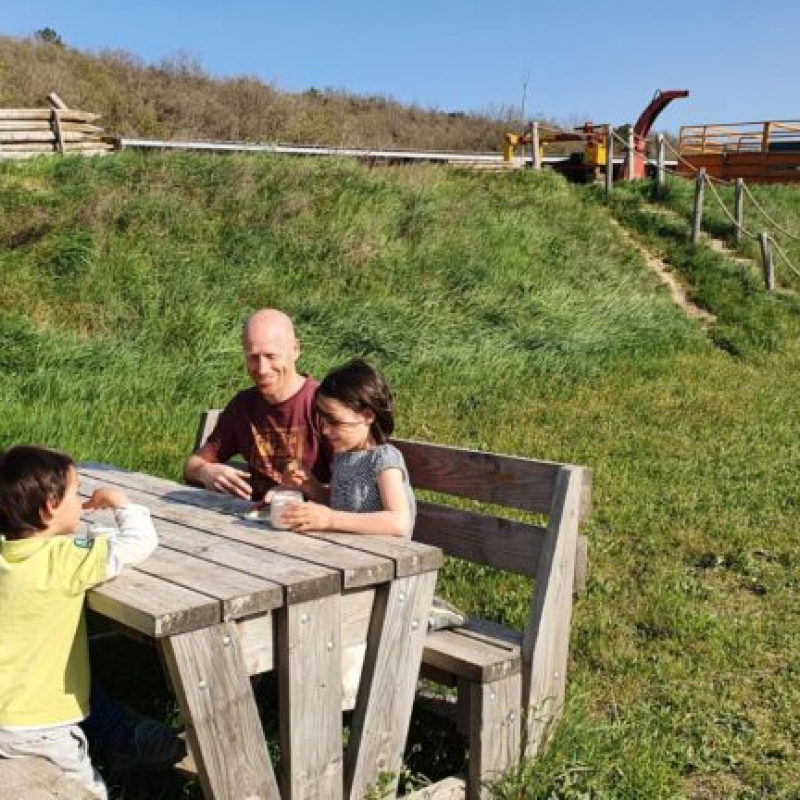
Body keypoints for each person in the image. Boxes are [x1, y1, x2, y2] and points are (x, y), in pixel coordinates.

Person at [0, 445, 161, 799]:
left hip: (5, 714)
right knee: (85, 791)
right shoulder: (66, 560)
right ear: (50, 507)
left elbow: (72, 542)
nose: (82, 498)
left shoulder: (7, 554)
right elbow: (140, 541)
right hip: (43, 723)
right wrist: (122, 503)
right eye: (77, 491)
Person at [184, 308, 331, 501]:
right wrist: (205, 472)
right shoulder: (243, 407)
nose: (262, 369)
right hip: (251, 521)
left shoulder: (325, 406)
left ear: (295, 350)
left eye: (271, 356)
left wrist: (309, 488)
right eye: (253, 357)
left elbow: (350, 494)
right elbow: (192, 464)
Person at [279, 359, 415, 538]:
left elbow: (399, 522)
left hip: (388, 559)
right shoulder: (343, 458)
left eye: (335, 422)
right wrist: (311, 487)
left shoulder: (384, 459)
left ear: (367, 416)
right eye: (323, 421)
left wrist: (329, 519)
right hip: (350, 553)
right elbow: (341, 505)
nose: (326, 430)